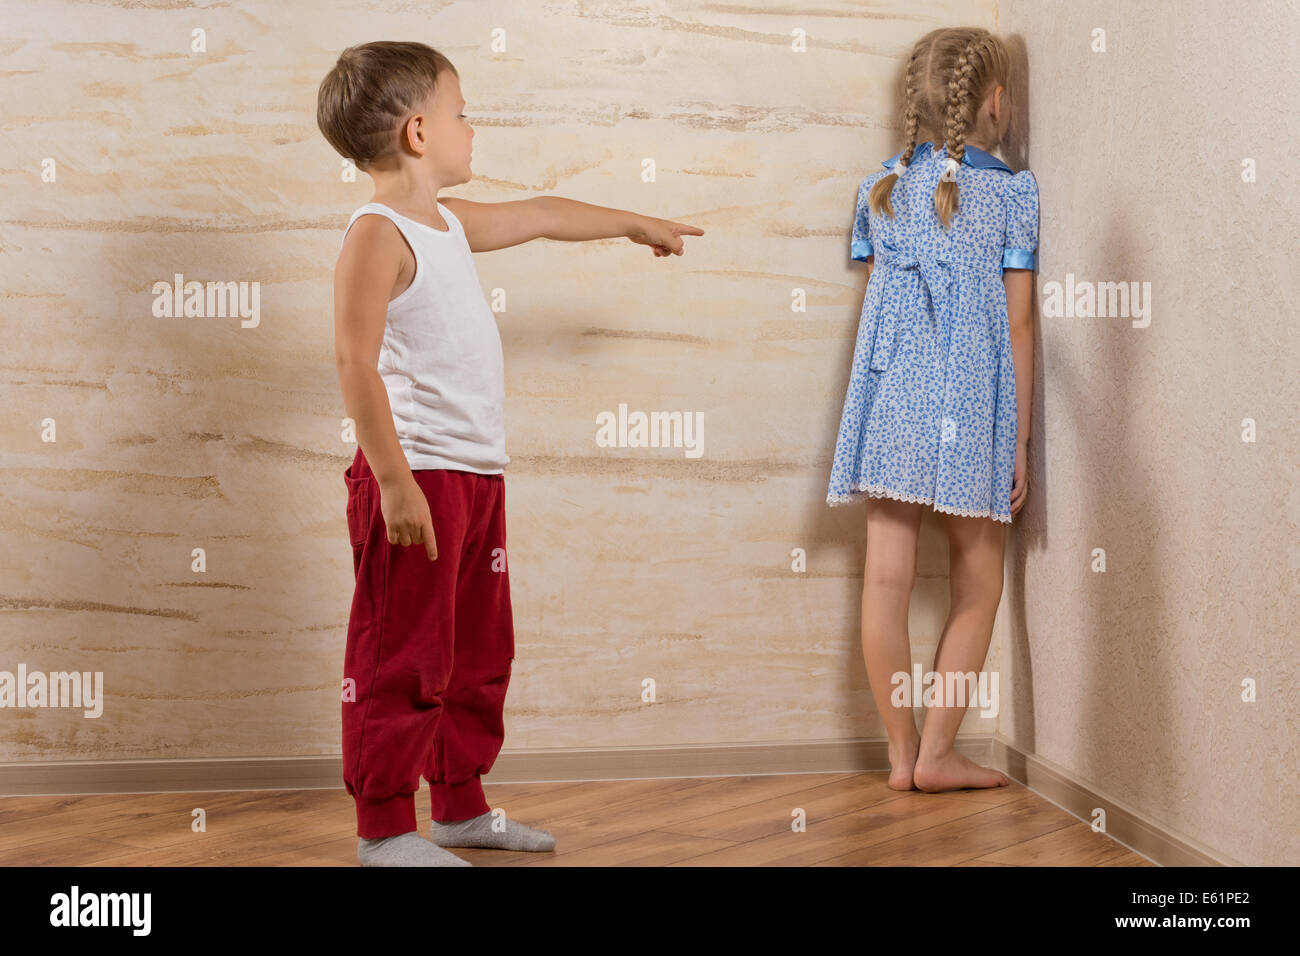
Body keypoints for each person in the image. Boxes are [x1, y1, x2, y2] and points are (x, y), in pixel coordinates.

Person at [317, 40, 704, 866]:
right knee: (403, 655)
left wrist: (634, 221)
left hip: (476, 477)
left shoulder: (450, 224)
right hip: (414, 477)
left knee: (476, 651)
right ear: (420, 133)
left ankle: (459, 806)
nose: (471, 126)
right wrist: (392, 480)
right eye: (461, 112)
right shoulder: (376, 234)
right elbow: (354, 361)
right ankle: (383, 829)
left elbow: (541, 213)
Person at [825, 27, 1039, 793]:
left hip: (890, 402)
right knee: (979, 580)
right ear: (995, 102)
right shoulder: (1012, 193)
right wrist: (1018, 438)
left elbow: (887, 299)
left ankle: (898, 756)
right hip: (968, 403)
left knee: (884, 581)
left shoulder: (880, 189)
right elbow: (1018, 325)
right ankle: (938, 754)